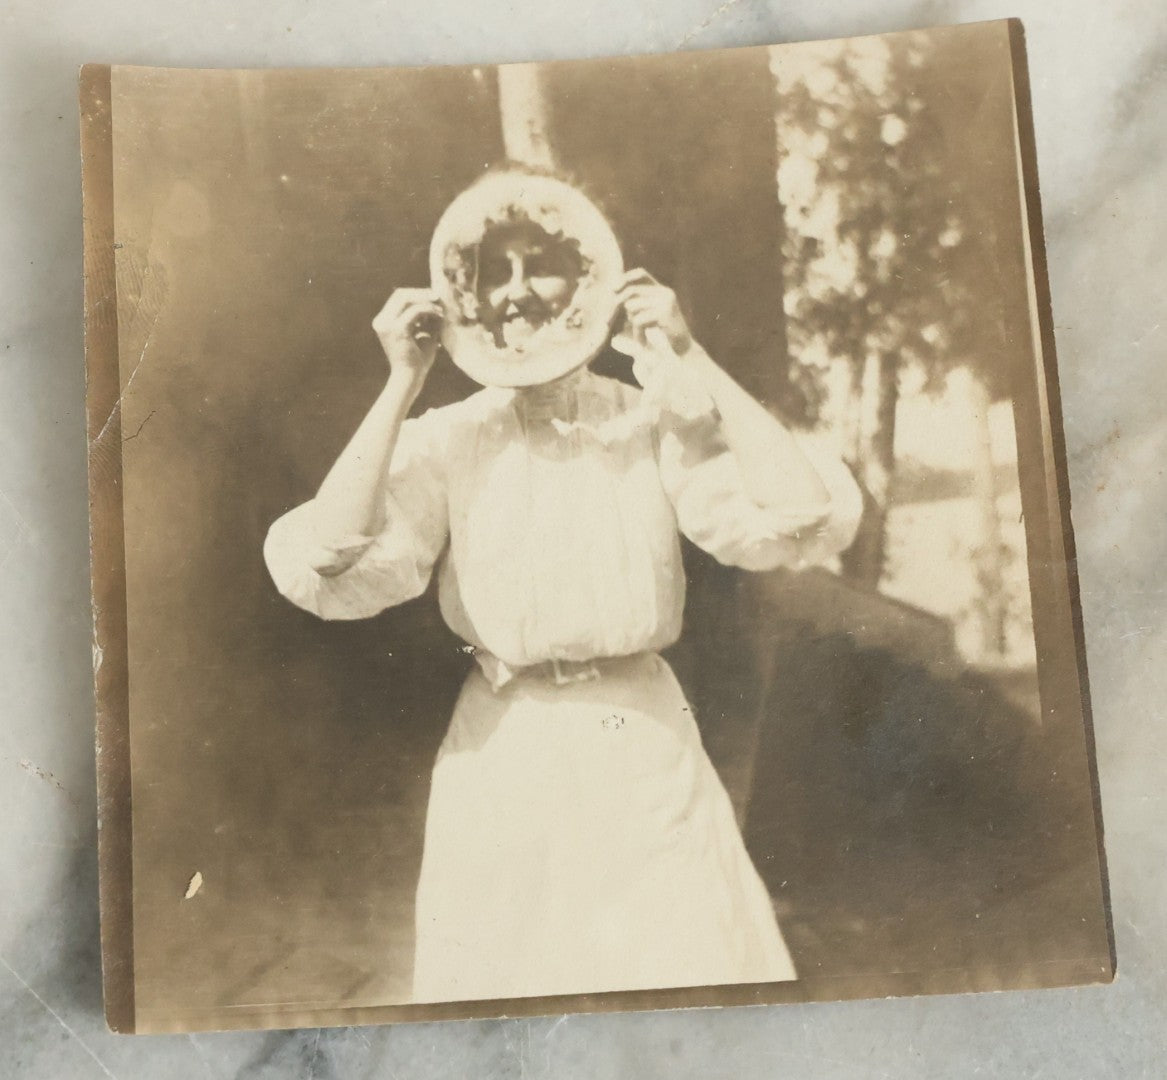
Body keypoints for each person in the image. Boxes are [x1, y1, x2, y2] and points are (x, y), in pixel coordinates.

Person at [264, 168, 862, 1004]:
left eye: (538, 263)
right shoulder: (446, 440)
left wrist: (689, 357)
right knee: (516, 1000)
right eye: (491, 271)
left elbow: (798, 513)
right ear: (462, 290)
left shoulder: (649, 419)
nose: (516, 294)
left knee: (675, 989)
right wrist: (402, 379)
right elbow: (327, 555)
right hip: (504, 755)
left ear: (587, 276)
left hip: (643, 748)